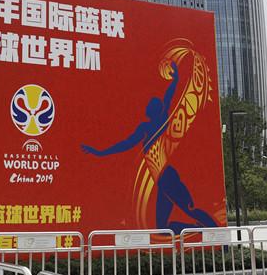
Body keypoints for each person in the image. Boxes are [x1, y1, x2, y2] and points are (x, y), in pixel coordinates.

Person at [80, 61, 217, 234]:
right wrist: (101, 152)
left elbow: (167, 100)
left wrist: (175, 82)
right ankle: (198, 230)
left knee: (190, 209)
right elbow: (126, 144)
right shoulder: (148, 126)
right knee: (163, 228)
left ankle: (216, 233)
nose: (147, 106)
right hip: (162, 180)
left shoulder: (154, 125)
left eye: (151, 104)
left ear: (154, 110)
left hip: (167, 176)